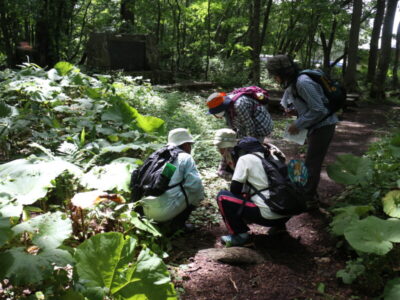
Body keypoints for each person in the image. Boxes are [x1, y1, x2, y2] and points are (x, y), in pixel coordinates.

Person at [266, 54, 339, 205]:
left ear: (282, 73)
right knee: (310, 160)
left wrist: (298, 124)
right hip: (315, 125)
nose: (274, 79)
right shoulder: (295, 82)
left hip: (323, 126)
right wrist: (296, 112)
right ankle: (309, 194)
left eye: (275, 75)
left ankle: (307, 199)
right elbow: (311, 106)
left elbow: (319, 110)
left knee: (313, 162)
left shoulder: (303, 82)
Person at [216, 137, 290, 247]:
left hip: (267, 216)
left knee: (222, 196)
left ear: (242, 150)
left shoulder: (245, 159)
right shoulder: (273, 156)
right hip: (288, 211)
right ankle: (280, 226)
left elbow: (235, 189)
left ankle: (240, 236)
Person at [141, 128, 204, 234]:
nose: (190, 148)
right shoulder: (184, 157)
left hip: (145, 210)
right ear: (185, 145)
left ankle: (160, 220)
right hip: (163, 212)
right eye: (189, 144)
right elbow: (195, 185)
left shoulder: (158, 155)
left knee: (174, 186)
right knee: (198, 191)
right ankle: (178, 224)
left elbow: (162, 181)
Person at [206, 91, 274, 143]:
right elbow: (232, 126)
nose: (215, 115)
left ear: (220, 109)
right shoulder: (227, 107)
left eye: (215, 113)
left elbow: (250, 126)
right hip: (247, 125)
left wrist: (249, 142)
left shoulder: (238, 105)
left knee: (252, 148)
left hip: (261, 124)